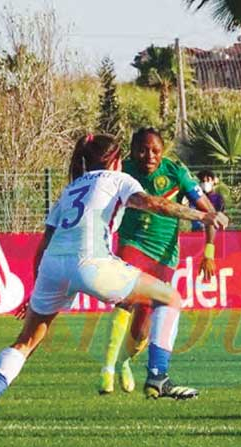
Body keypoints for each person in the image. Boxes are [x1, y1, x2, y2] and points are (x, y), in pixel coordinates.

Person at [0, 133, 228, 419]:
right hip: (92, 263)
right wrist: (202, 216)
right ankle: (157, 376)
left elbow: (43, 245)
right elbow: (153, 203)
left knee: (26, 342)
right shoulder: (120, 179)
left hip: (52, 267)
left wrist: (35, 287)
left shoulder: (71, 188)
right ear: (115, 160)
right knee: (170, 297)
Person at [98, 128, 218, 395]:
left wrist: (208, 253)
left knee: (142, 326)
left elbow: (208, 211)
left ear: (163, 151)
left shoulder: (175, 172)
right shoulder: (123, 171)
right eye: (142, 149)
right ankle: (106, 370)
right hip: (132, 243)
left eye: (155, 150)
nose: (149, 156)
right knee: (125, 298)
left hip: (165, 254)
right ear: (131, 150)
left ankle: (125, 362)